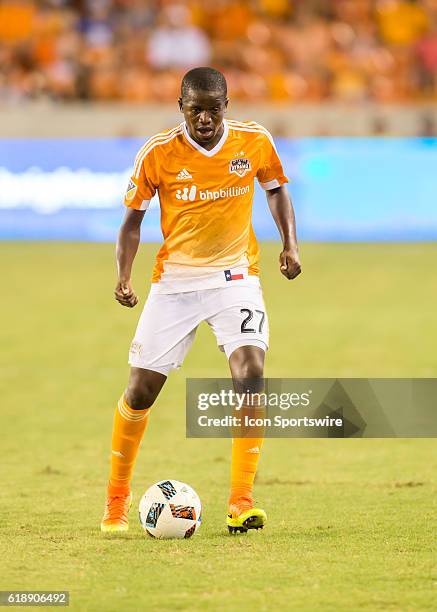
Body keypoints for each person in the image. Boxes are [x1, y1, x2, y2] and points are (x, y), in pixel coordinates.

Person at [101, 66, 301, 535]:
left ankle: (241, 500)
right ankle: (115, 499)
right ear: (181, 108)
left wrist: (289, 244)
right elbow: (131, 223)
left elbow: (276, 190)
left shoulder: (253, 140)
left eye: (213, 109)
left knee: (251, 373)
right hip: (174, 284)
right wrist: (123, 277)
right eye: (196, 110)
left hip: (236, 277)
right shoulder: (158, 152)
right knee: (140, 392)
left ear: (226, 107)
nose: (205, 119)